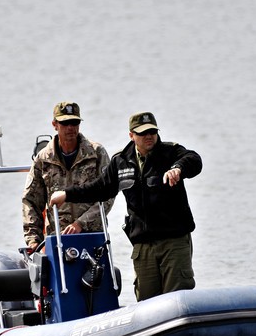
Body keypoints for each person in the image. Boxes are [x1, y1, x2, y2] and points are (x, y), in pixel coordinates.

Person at [50, 111, 202, 301]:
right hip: (143, 245)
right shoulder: (121, 161)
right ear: (131, 135)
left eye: (152, 132)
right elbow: (100, 189)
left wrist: (178, 168)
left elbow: (194, 160)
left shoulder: (171, 152)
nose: (149, 136)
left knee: (178, 296)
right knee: (147, 299)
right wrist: (67, 194)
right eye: (142, 133)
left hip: (174, 241)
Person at [22, 101, 114, 250]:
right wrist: (34, 240)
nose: (70, 127)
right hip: (57, 238)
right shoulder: (43, 158)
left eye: (74, 122)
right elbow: (31, 201)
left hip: (92, 236)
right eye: (65, 123)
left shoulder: (96, 153)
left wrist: (80, 223)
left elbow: (108, 195)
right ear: (55, 124)